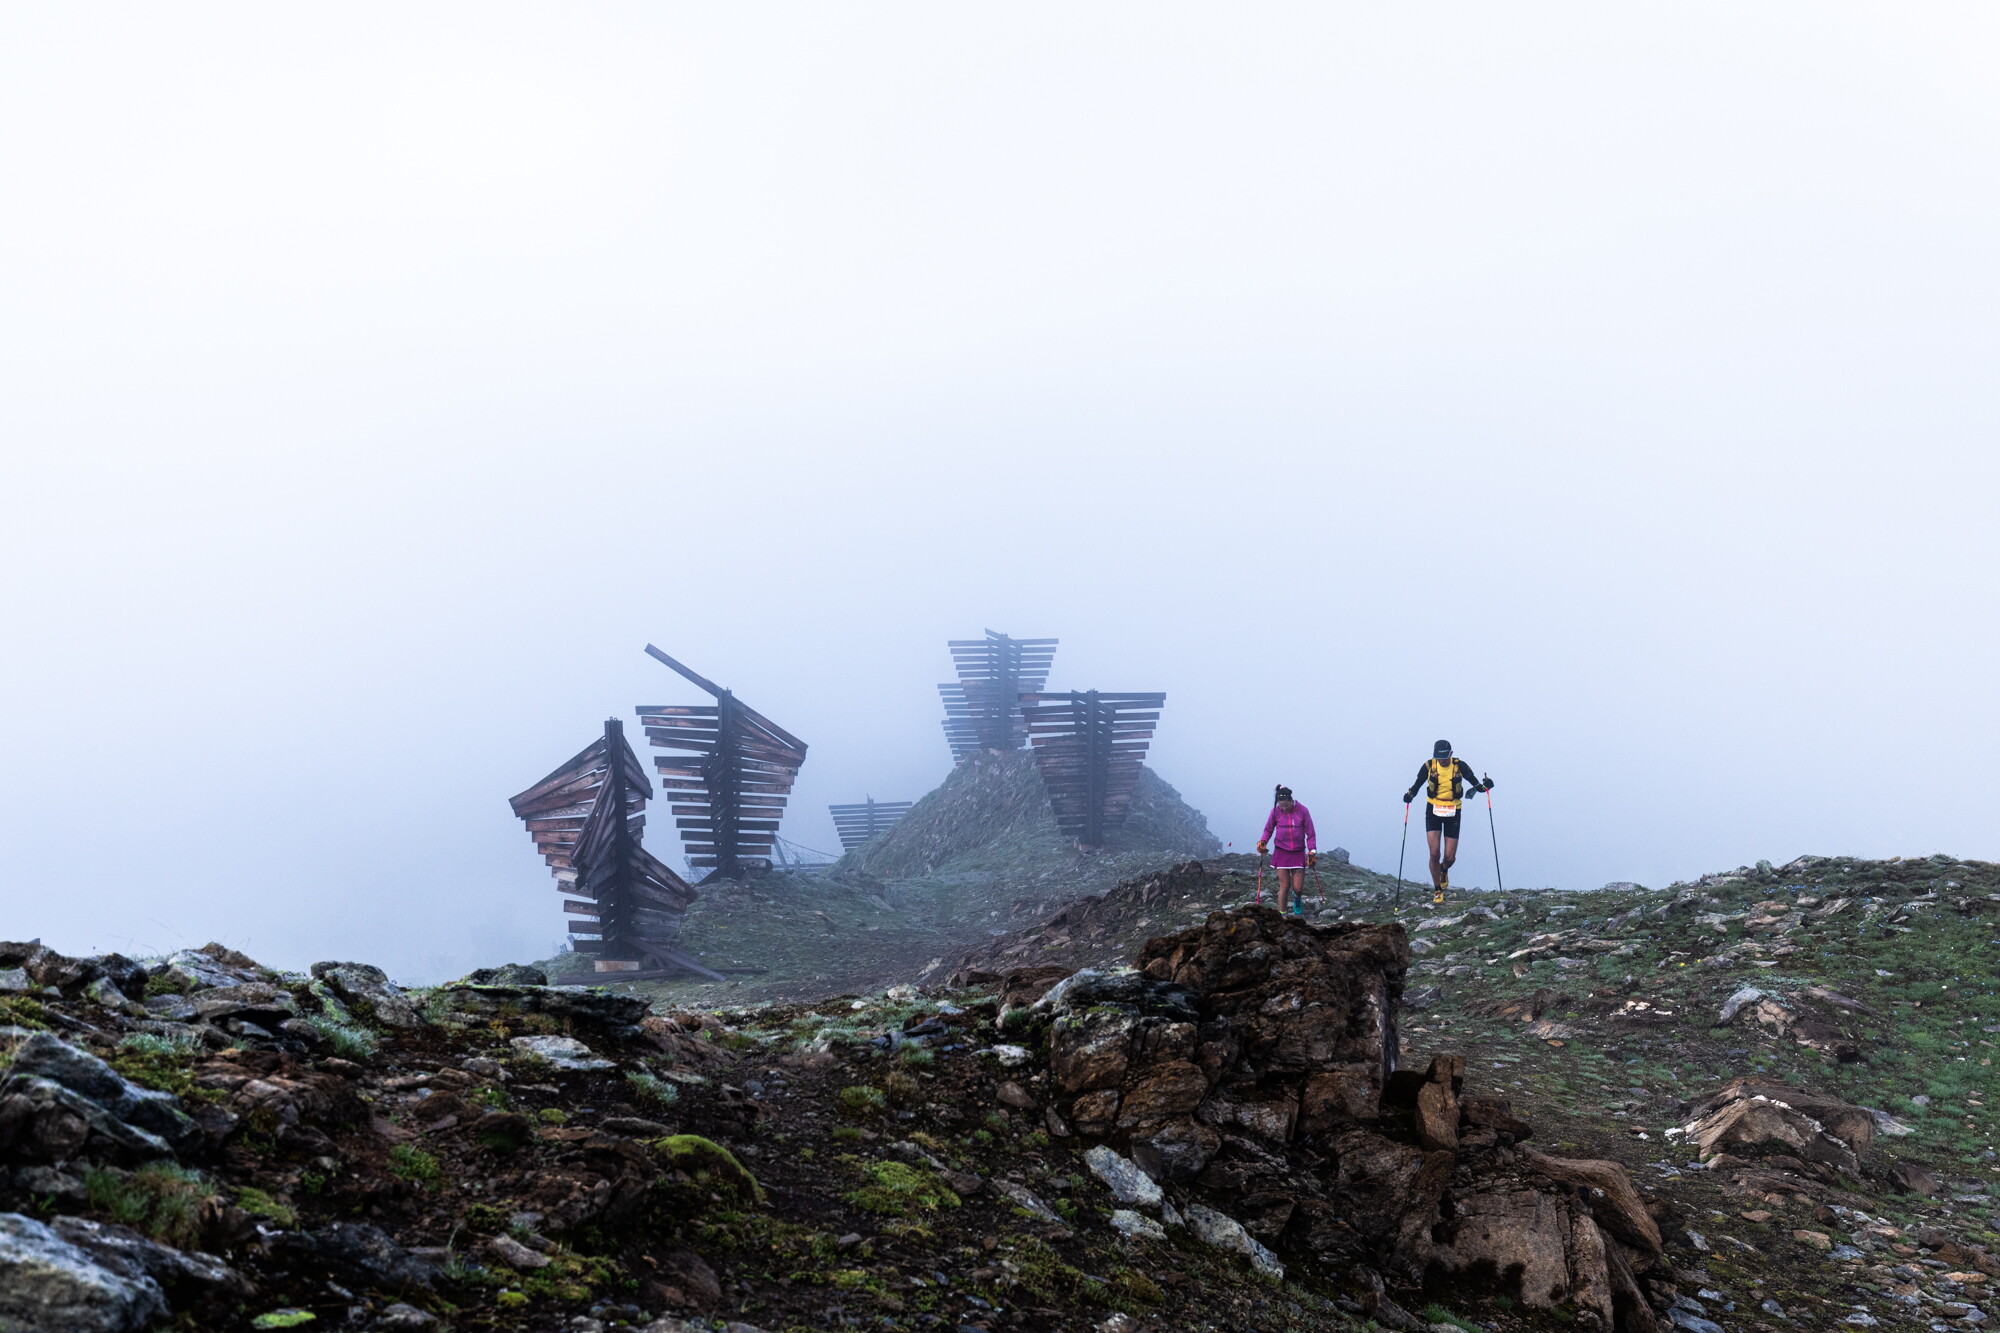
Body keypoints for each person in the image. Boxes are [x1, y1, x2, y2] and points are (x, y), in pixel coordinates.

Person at [1402, 740, 1493, 904]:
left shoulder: (1460, 766)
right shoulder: (1429, 766)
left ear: (1451, 754)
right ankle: (1437, 890)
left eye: (1444, 757)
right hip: (1433, 809)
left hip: (1453, 810)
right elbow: (1417, 785)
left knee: (1450, 858)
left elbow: (1476, 785)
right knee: (1434, 852)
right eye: (1438, 757)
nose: (1441, 760)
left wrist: (1487, 786)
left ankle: (1443, 870)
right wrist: (1410, 796)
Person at [1256, 784, 1317, 917]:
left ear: (1291, 800)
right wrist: (1263, 842)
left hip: (1298, 852)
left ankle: (1297, 898)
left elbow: (1310, 833)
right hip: (1281, 852)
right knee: (1284, 886)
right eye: (1281, 806)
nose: (1283, 808)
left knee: (1298, 888)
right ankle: (1282, 916)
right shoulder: (1275, 811)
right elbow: (1268, 829)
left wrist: (1312, 851)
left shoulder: (1303, 811)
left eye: (1286, 806)